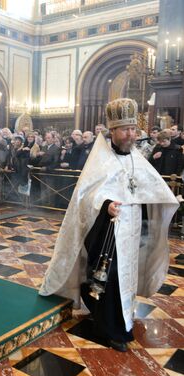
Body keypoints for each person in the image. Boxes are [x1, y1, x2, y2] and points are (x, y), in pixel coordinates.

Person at [40, 98, 179, 352]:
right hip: (108, 231)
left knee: (124, 278)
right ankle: (112, 329)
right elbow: (87, 195)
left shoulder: (138, 159)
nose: (130, 134)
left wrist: (164, 202)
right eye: (125, 129)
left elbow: (149, 187)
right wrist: (106, 206)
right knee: (109, 278)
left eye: (133, 129)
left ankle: (121, 320)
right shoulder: (100, 160)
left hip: (133, 231)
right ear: (112, 131)